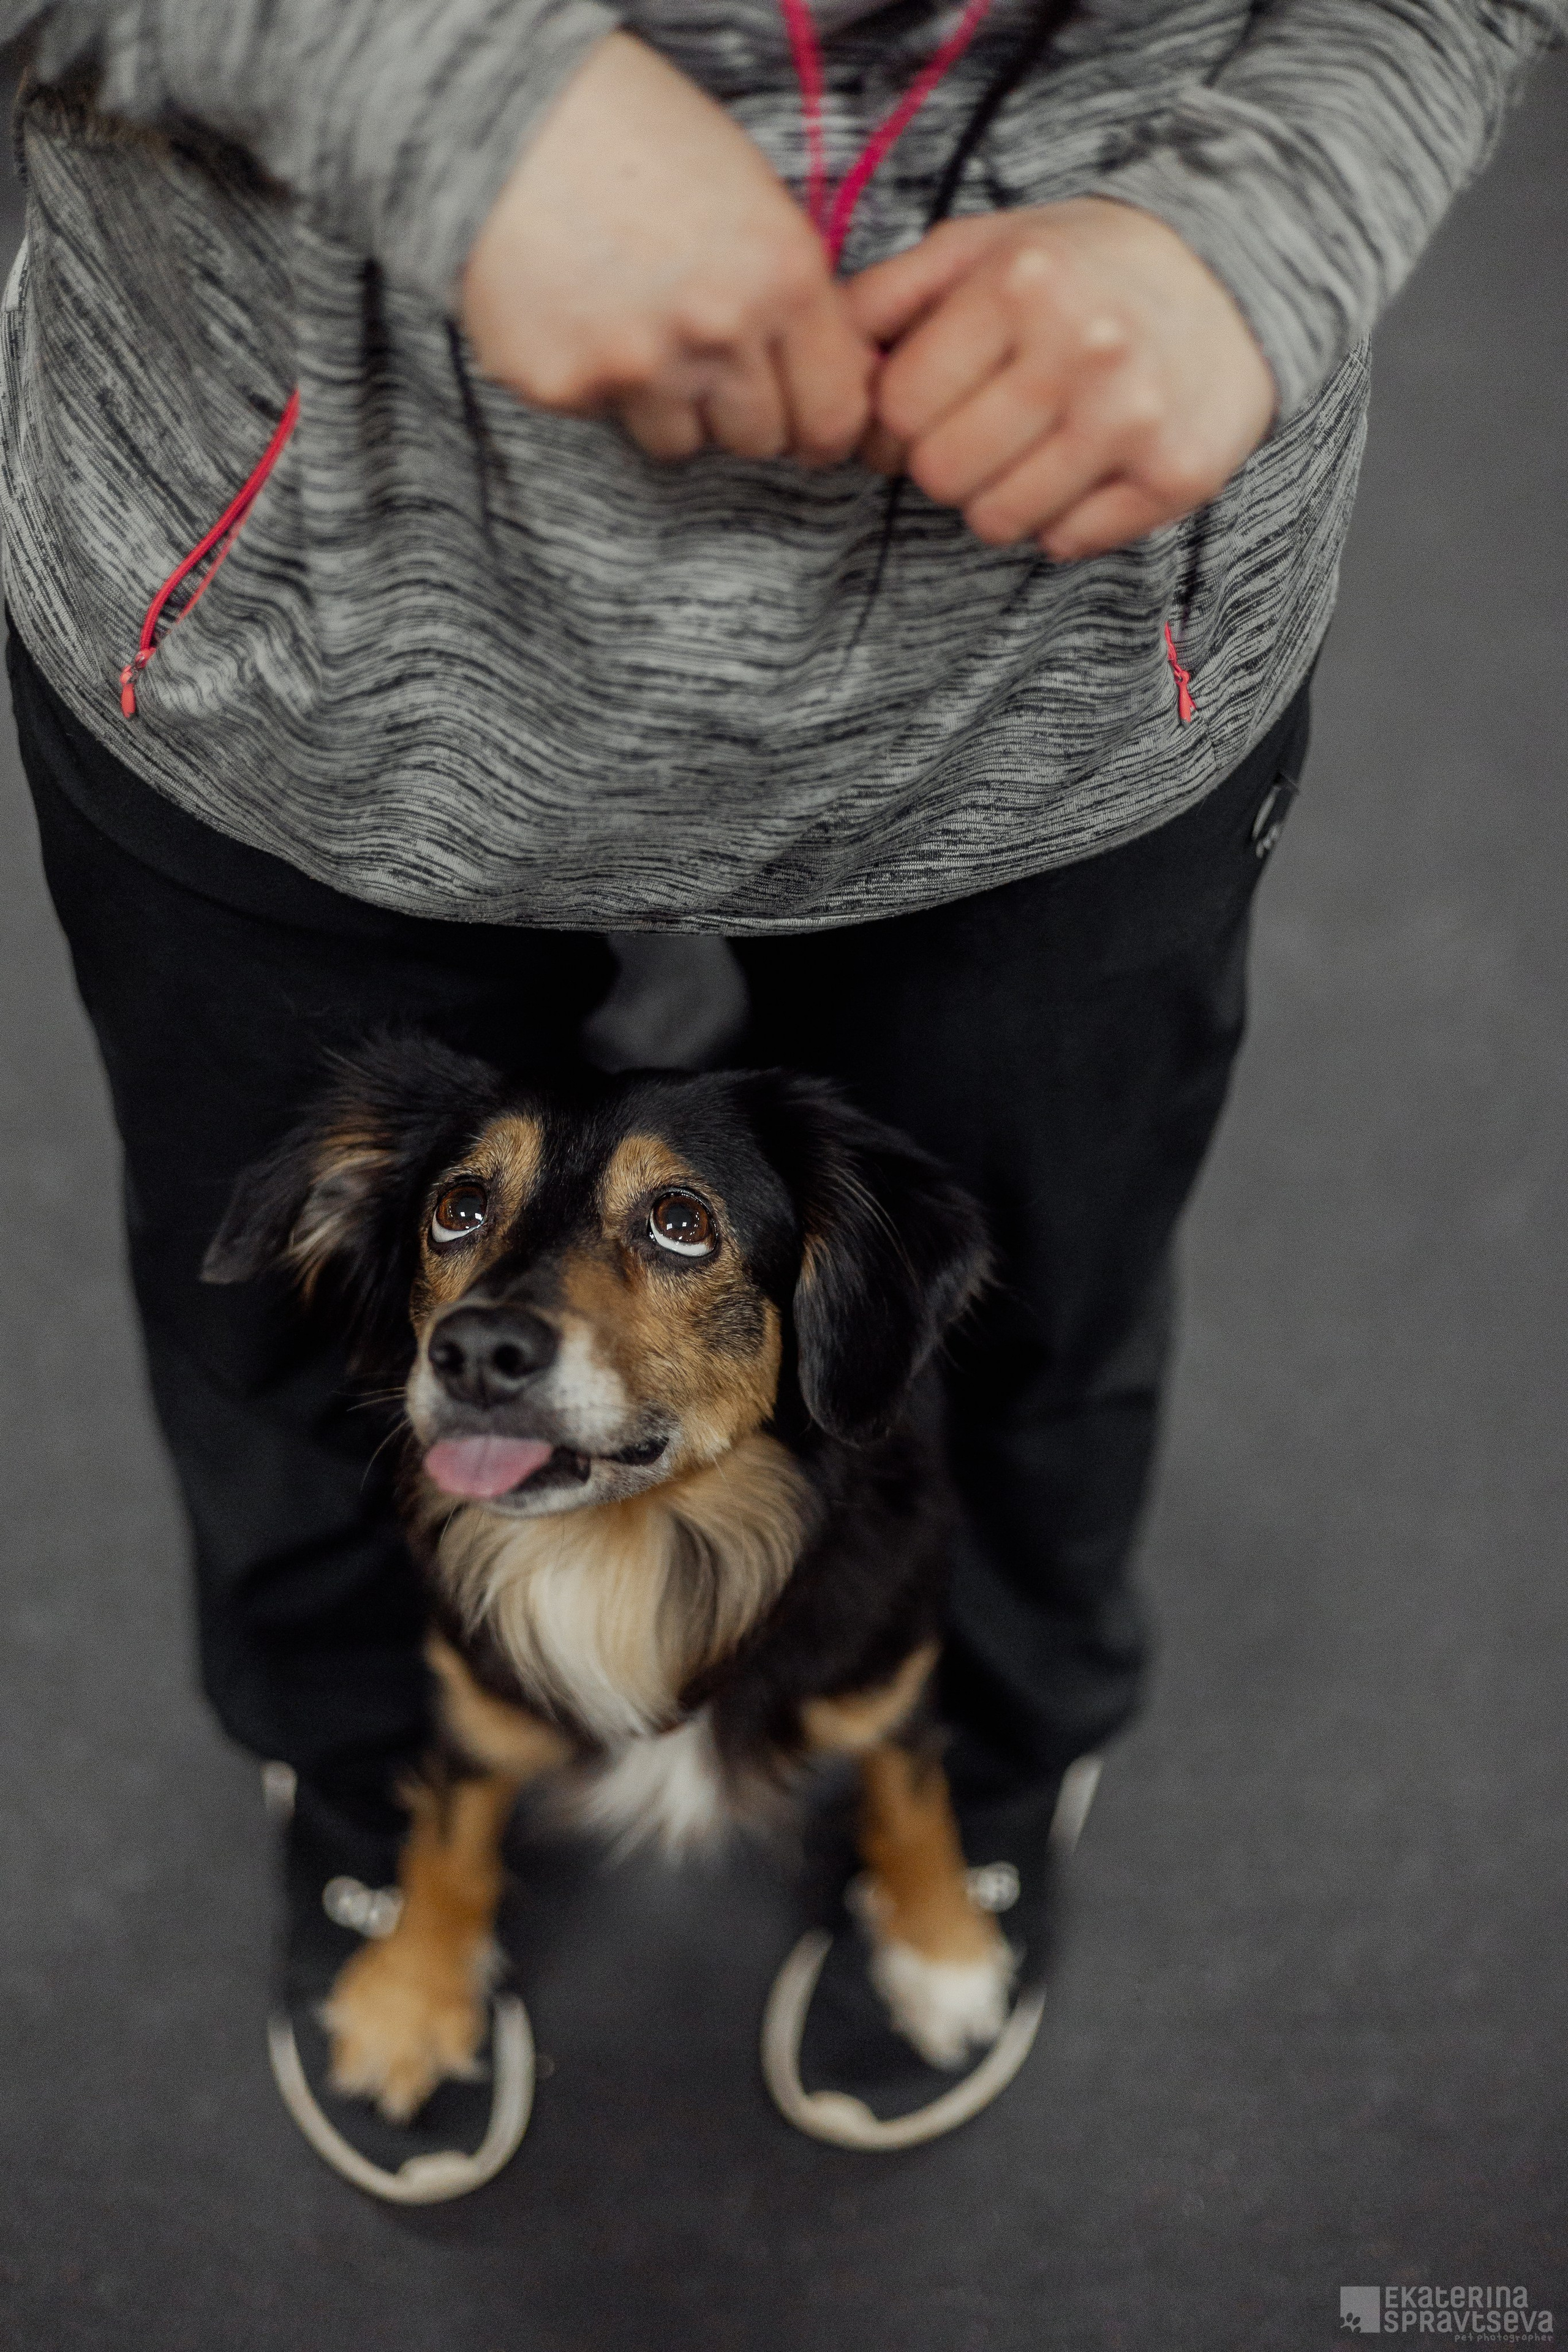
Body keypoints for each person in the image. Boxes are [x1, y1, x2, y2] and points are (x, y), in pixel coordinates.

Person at [2, 0, 1560, 2185]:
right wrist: (433, 79)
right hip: (300, 648)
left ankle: (980, 1782)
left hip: (1060, 675)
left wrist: (1262, 224)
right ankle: (373, 1792)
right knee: (275, 1329)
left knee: (1037, 1327)